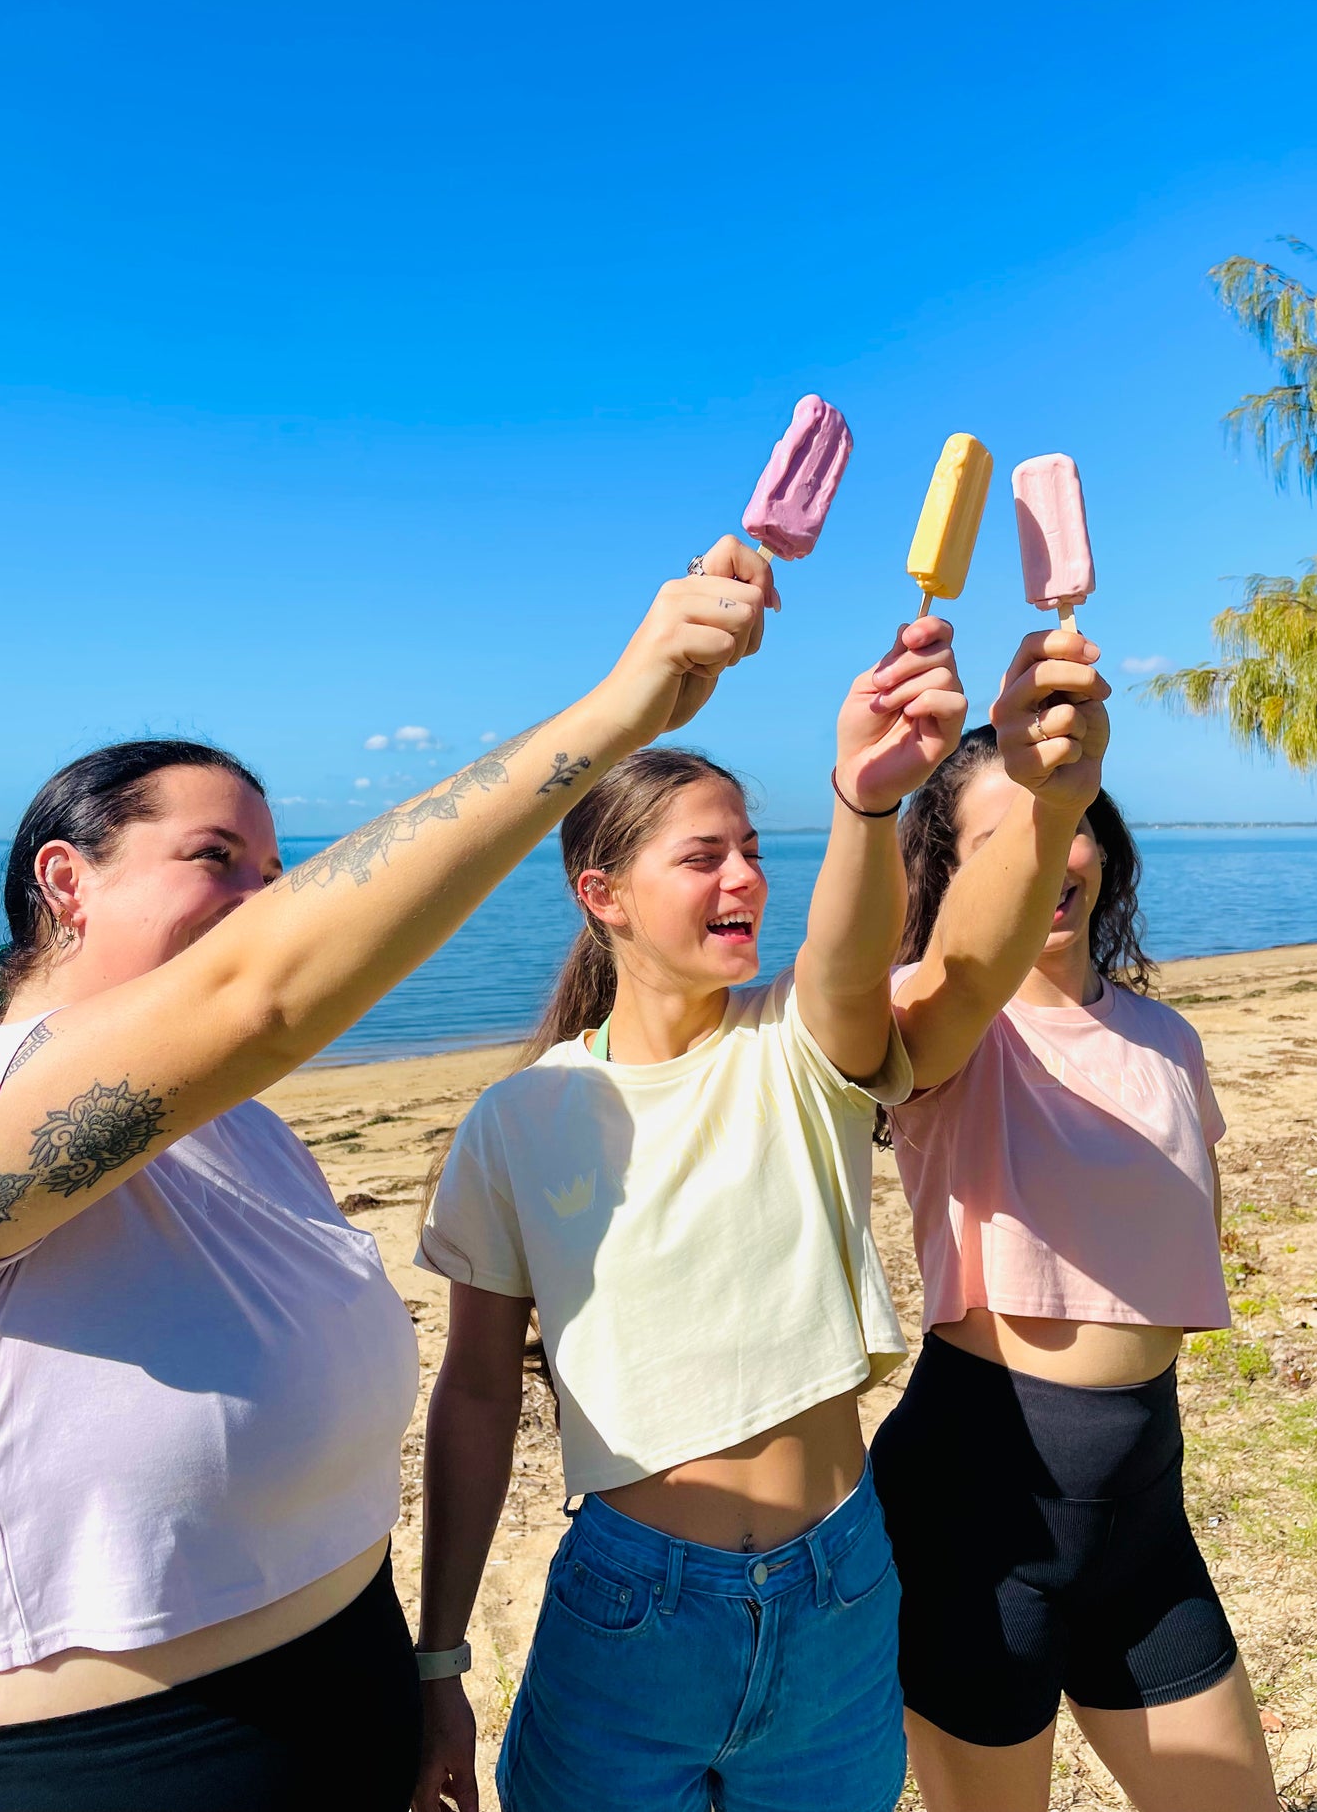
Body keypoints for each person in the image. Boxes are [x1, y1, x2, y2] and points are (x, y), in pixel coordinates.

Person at [0, 539, 772, 1812]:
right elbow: (267, 992)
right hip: (119, 1763)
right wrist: (620, 712)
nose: (263, 902)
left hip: (351, 1684)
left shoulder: (244, 1128)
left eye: (278, 877)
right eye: (215, 859)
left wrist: (425, 1671)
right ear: (67, 879)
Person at [413, 617, 967, 1812]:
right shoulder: (517, 1120)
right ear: (599, 893)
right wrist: (440, 1656)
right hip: (630, 1608)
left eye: (754, 850)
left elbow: (849, 945)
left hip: (839, 1583)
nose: (745, 878)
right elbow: (473, 1388)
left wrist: (867, 808)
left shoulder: (796, 1041)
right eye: (703, 856)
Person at [870, 629, 1280, 1812]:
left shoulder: (1164, 1038)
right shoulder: (940, 1020)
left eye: (1064, 820)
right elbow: (919, 1003)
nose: (1048, 856)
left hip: (1144, 1498)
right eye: (998, 836)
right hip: (981, 1503)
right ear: (947, 873)